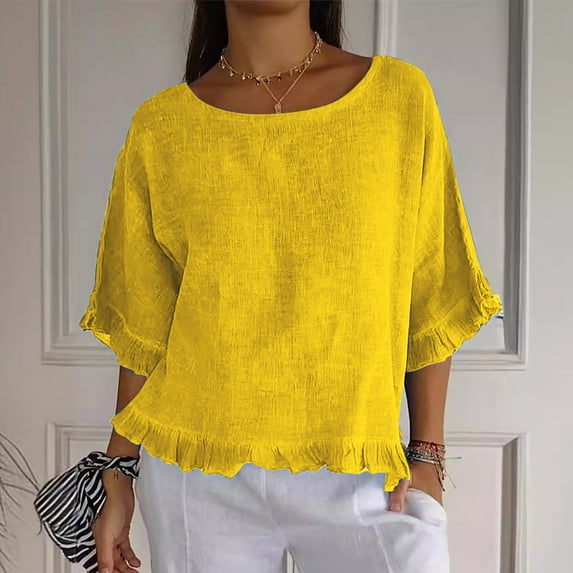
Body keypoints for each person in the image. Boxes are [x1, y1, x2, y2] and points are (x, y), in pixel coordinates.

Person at [79, 1, 502, 572]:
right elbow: (146, 328)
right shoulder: (161, 127)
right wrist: (118, 473)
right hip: (196, 473)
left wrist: (427, 453)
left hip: (365, 468)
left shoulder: (398, 98)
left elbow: (431, 287)